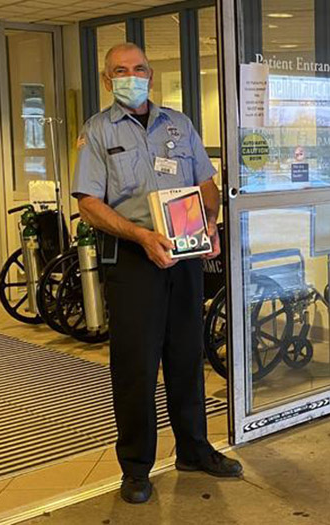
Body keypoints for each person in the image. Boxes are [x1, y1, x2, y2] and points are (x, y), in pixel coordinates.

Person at [72, 43, 242, 504]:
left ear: (151, 73)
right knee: (137, 367)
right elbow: (89, 204)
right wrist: (142, 237)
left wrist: (210, 219)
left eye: (139, 68)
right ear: (108, 81)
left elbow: (205, 180)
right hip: (133, 260)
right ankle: (136, 468)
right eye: (121, 71)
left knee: (187, 356)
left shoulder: (179, 124)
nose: (132, 76)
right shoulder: (97, 132)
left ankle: (193, 449)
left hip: (185, 255)